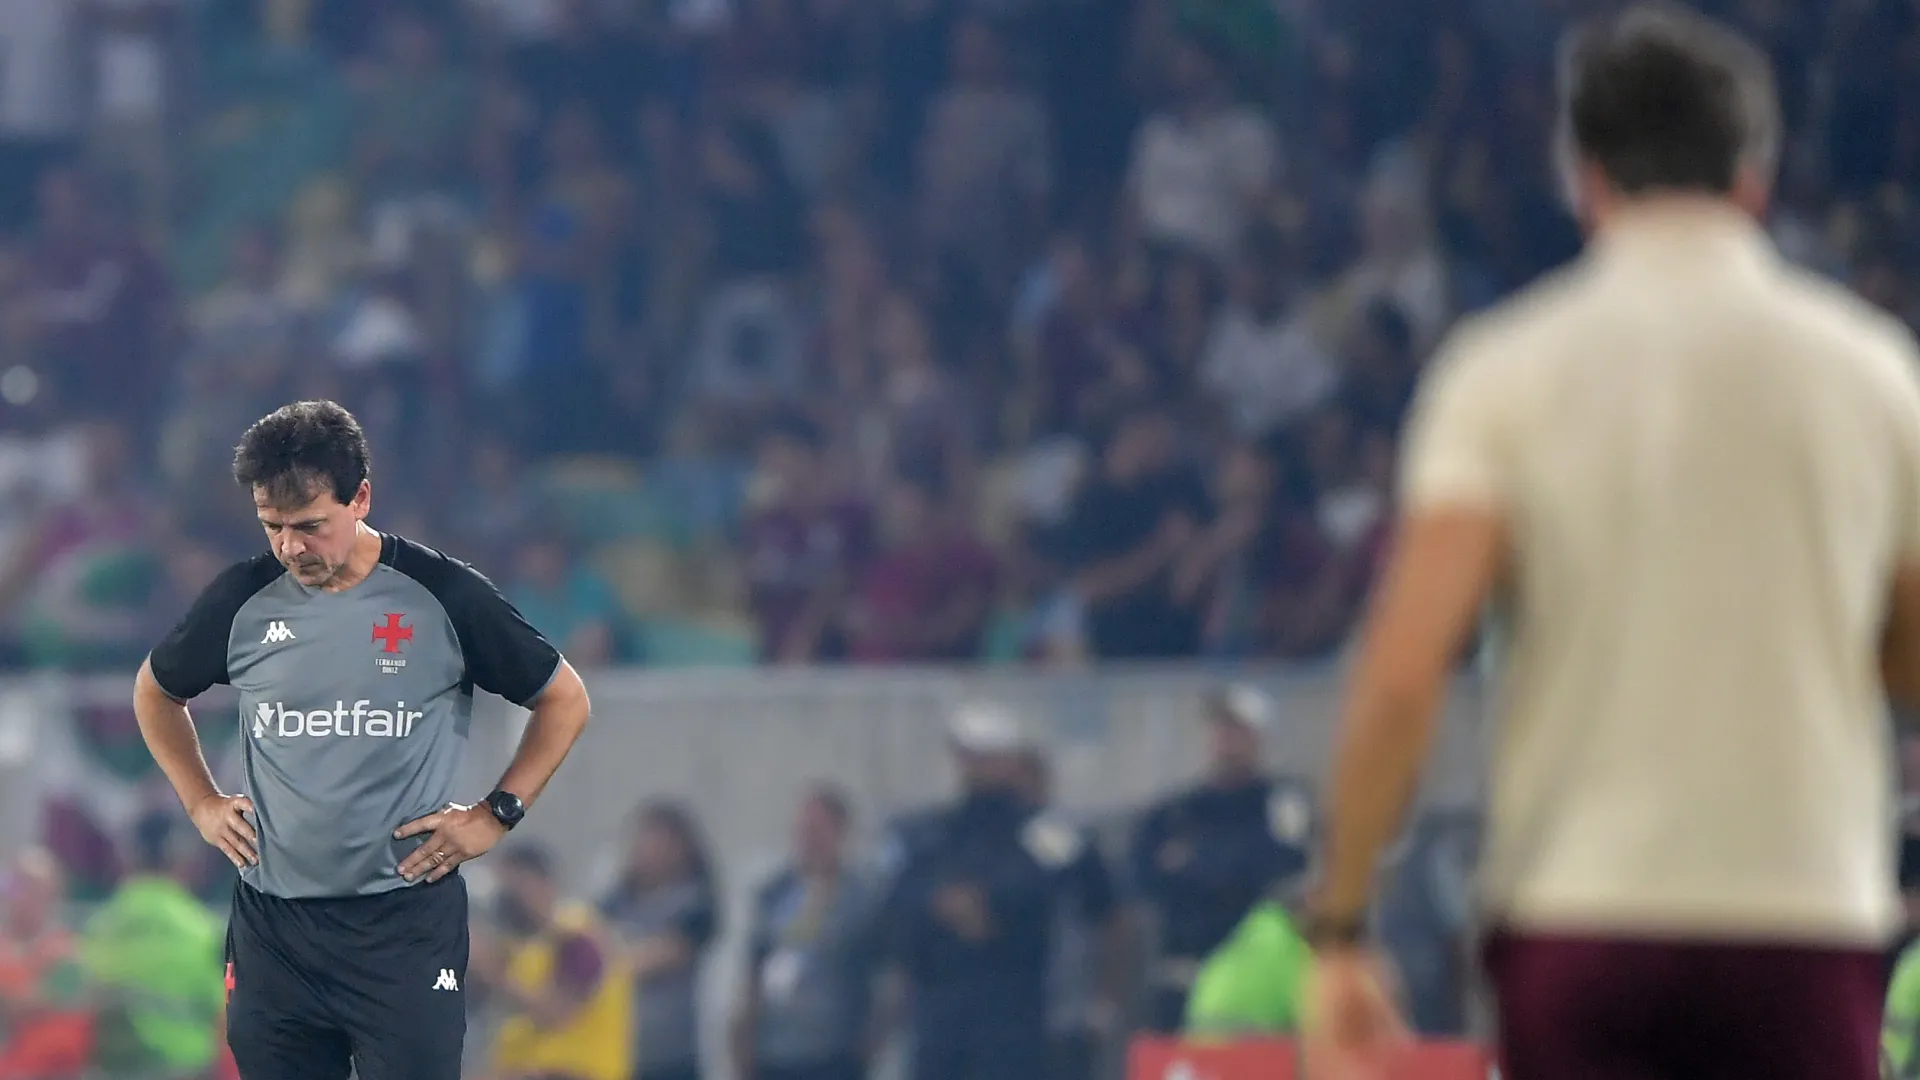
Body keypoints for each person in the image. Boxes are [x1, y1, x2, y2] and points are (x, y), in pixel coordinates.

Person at [1301, 7, 1920, 1080]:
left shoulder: (1504, 374)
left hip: (1583, 914)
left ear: (1582, 176)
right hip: (1802, 909)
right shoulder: (1874, 377)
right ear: (1755, 175)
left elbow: (1403, 675)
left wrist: (1343, 927)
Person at [131, 400, 594, 1080]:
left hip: (402, 929)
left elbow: (564, 699)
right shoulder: (243, 599)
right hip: (274, 931)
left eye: (311, 526)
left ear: (362, 499)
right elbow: (155, 691)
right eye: (273, 526)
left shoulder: (443, 596)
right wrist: (201, 801)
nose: (290, 547)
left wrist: (496, 814)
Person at [1129, 684, 1313, 1032]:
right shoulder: (1176, 812)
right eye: (1220, 729)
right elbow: (1146, 878)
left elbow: (1281, 871)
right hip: (1187, 970)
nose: (1226, 740)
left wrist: (1198, 864)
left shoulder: (1284, 805)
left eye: (1238, 730)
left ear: (1260, 738)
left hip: (1261, 983)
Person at [732, 785, 884, 1080]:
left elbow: (885, 974)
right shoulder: (774, 892)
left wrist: (871, 1040)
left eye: (818, 829)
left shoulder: (862, 898)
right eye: (803, 829)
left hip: (834, 1051)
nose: (809, 838)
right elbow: (755, 967)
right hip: (774, 1051)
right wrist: (742, 1037)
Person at [79, 813, 224, 1080]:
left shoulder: (102, 924)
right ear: (183, 861)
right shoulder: (202, 929)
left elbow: (84, 997)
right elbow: (224, 1012)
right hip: (186, 1068)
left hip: (115, 1067)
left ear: (128, 859)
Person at [486, 844, 631, 1080]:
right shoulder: (529, 945)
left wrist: (494, 974)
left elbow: (558, 1012)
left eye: (513, 891)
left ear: (541, 883)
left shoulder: (578, 938)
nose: (506, 902)